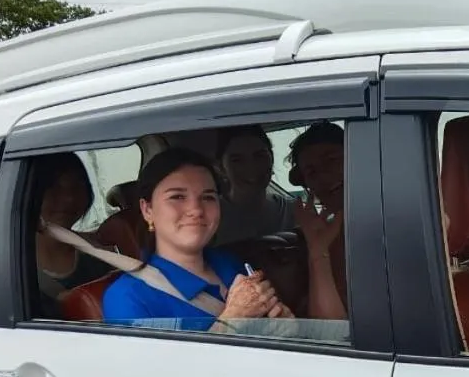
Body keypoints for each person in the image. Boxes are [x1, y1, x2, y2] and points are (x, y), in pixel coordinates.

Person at [102, 148, 295, 332]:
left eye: (208, 197)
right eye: (177, 197)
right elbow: (151, 368)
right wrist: (232, 321)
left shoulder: (230, 263)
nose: (196, 210)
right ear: (147, 210)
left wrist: (285, 328)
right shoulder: (127, 297)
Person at [31, 152, 112, 312]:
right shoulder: (12, 270)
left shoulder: (100, 254)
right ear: (31, 195)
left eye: (77, 186)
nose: (69, 198)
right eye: (53, 187)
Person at [287, 121, 348, 308]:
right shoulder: (326, 236)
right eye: (311, 172)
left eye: (332, 161)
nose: (324, 176)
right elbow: (331, 330)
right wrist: (317, 248)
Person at [211, 125, 293, 246]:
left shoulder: (294, 211)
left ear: (272, 157)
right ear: (221, 167)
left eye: (259, 156)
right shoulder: (209, 217)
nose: (251, 167)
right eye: (237, 160)